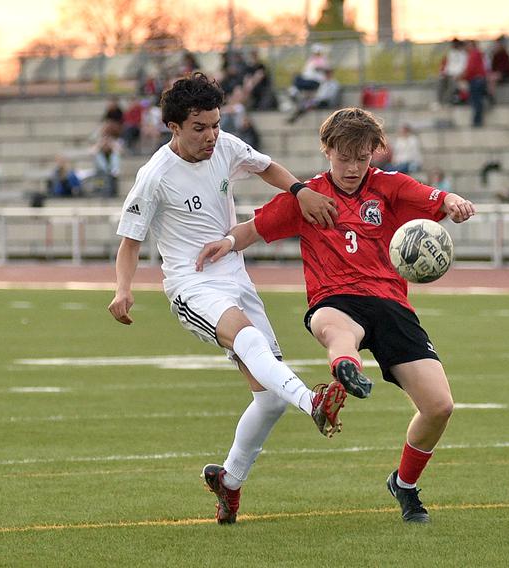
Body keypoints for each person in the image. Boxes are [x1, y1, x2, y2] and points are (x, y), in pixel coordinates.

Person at [195, 107, 476, 523]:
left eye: (362, 158)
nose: (353, 167)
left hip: (391, 305)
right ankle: (346, 368)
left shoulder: (389, 187)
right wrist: (226, 242)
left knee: (439, 406)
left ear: (374, 154)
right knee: (336, 327)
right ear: (327, 150)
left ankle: (404, 484)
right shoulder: (308, 195)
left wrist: (454, 203)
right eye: (345, 157)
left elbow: (434, 197)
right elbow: (255, 227)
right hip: (336, 297)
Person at [107, 73, 362, 525]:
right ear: (174, 127)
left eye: (216, 124)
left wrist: (299, 191)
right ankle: (313, 403)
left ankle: (229, 481)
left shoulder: (226, 147)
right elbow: (130, 241)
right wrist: (123, 289)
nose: (211, 136)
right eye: (199, 128)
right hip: (192, 284)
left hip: (235, 276)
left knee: (268, 400)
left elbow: (265, 166)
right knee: (248, 341)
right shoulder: (154, 177)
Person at [461, 40, 488, 127]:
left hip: (476, 81)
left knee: (477, 102)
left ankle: (477, 121)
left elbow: (471, 70)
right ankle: (477, 121)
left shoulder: (474, 54)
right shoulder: (475, 54)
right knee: (476, 101)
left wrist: (463, 76)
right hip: (477, 80)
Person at [437, 38, 467, 106]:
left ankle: (448, 101)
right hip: (449, 74)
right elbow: (447, 66)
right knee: (441, 80)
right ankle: (439, 101)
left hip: (457, 75)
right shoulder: (450, 53)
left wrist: (458, 75)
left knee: (452, 82)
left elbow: (463, 67)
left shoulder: (463, 54)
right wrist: (443, 73)